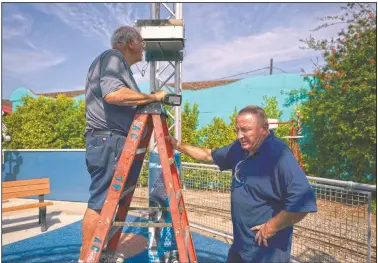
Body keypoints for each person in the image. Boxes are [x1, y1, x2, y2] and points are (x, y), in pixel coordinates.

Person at [166, 105, 318, 263]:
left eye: (246, 130)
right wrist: (178, 145)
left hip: (266, 253)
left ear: (264, 128)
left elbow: (303, 202)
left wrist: (271, 227)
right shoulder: (239, 149)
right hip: (240, 247)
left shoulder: (279, 154)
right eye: (237, 130)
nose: (240, 135)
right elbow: (209, 155)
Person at [79, 26, 168, 262]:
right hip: (109, 139)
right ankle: (87, 258)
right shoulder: (113, 58)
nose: (144, 46)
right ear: (129, 42)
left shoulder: (117, 65)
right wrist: (153, 97)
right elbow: (113, 95)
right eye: (141, 41)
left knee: (110, 201)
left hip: (112, 139)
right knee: (100, 203)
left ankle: (103, 252)